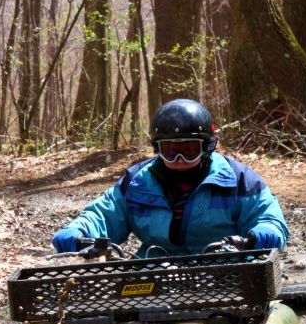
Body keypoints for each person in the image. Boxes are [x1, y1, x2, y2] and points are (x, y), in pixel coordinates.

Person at [52, 99, 289, 257]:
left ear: (207, 147)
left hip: (225, 272)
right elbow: (103, 215)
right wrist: (78, 231)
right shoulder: (136, 182)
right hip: (153, 274)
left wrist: (266, 229)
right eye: (170, 150)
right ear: (157, 149)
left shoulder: (239, 180)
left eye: (188, 150)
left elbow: (267, 215)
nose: (179, 158)